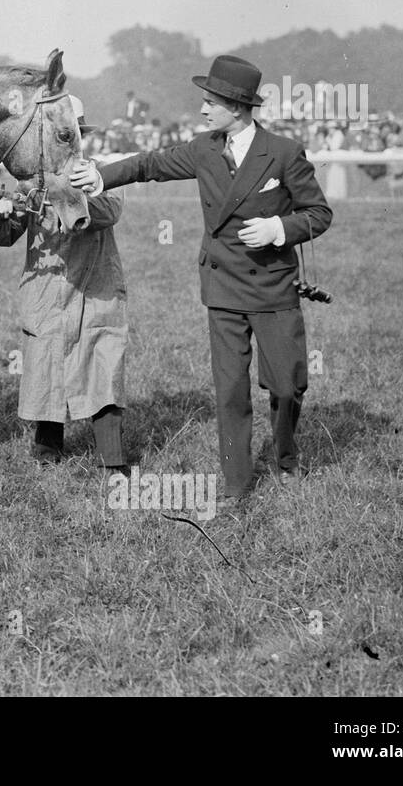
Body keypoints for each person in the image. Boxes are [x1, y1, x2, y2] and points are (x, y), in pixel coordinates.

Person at [72, 56, 332, 511]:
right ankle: (237, 483)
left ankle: (286, 458)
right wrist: (100, 175)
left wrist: (278, 229)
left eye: (211, 102)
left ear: (237, 107)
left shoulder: (285, 152)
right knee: (230, 388)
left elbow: (319, 213)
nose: (204, 110)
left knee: (287, 386)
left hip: (273, 286)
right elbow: (149, 164)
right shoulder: (203, 148)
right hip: (223, 286)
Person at [0, 97, 131, 471]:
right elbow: (0, 236)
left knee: (102, 364)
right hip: (45, 292)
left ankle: (112, 459)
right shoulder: (28, 182)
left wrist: (69, 192)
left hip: (95, 289)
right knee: (45, 363)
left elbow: (108, 211)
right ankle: (47, 452)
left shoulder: (99, 176)